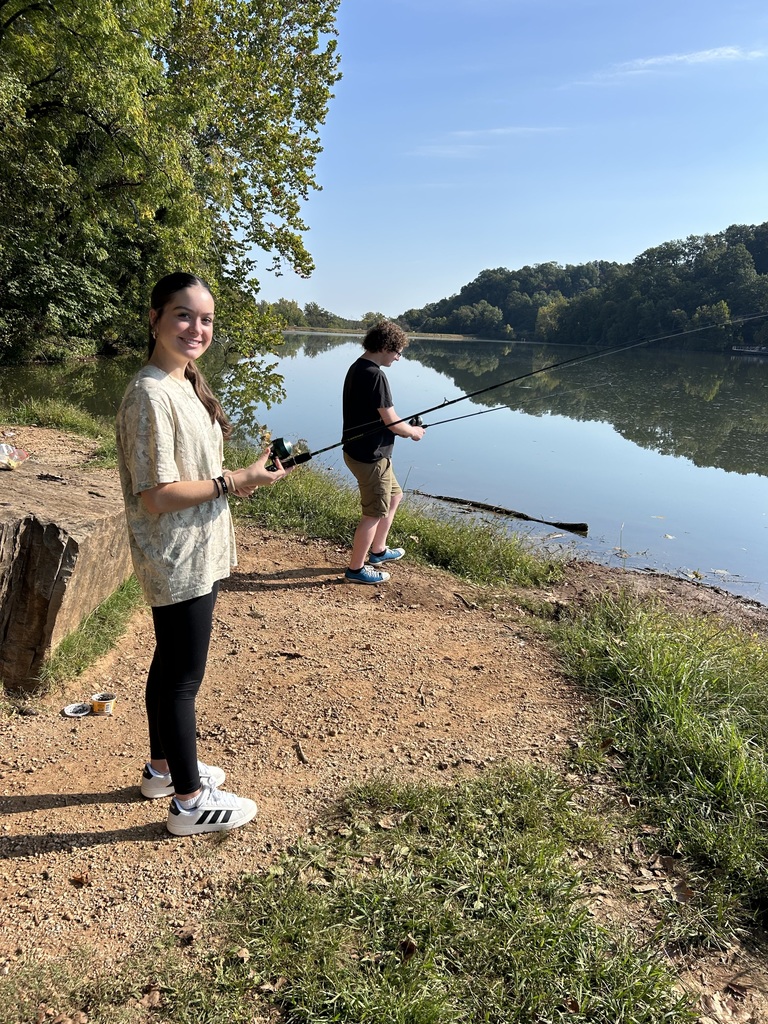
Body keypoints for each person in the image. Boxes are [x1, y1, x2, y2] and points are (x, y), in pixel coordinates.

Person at [116, 272, 290, 836]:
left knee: (169, 663)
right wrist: (236, 480)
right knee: (183, 678)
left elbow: (197, 468)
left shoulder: (186, 382)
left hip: (199, 549)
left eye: (206, 318)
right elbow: (157, 495)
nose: (197, 327)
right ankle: (190, 803)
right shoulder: (150, 393)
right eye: (183, 315)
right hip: (176, 554)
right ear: (155, 318)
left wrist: (249, 473)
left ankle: (163, 771)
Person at [342, 320, 425, 584]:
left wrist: (404, 426)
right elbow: (390, 421)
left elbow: (383, 418)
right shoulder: (376, 375)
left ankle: (377, 551)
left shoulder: (358, 367)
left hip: (363, 451)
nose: (398, 358)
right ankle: (356, 570)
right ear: (386, 346)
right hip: (371, 457)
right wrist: (412, 432)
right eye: (397, 352)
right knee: (373, 514)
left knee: (394, 496)